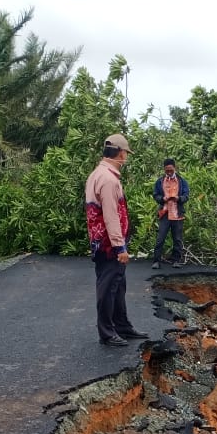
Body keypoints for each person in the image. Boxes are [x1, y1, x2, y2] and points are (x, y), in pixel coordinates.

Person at [85, 134, 149, 347]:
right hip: (108, 245)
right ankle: (107, 332)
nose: (126, 158)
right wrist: (119, 246)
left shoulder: (99, 174)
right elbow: (111, 215)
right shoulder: (108, 179)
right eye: (126, 154)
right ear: (121, 153)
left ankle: (121, 325)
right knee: (108, 287)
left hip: (102, 242)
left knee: (118, 285)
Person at [151, 158, 189, 269]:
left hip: (177, 214)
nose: (169, 172)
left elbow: (186, 196)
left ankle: (176, 260)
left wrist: (179, 198)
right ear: (164, 169)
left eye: (171, 170)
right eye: (167, 170)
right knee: (160, 238)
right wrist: (162, 199)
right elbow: (155, 195)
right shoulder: (160, 181)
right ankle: (156, 261)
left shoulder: (182, 181)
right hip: (164, 213)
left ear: (174, 168)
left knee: (177, 239)